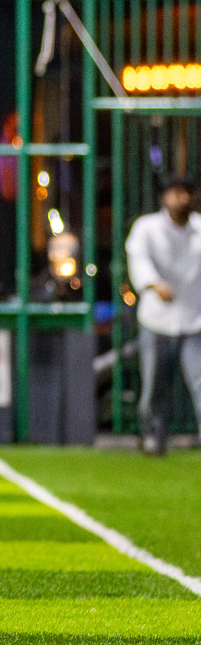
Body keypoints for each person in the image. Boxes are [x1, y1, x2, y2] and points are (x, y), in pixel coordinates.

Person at [125, 175, 201, 456]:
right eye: (175, 193)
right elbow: (138, 259)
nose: (181, 199)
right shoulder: (147, 228)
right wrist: (154, 284)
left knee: (200, 382)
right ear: (164, 197)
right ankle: (153, 437)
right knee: (155, 386)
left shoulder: (199, 230)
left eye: (186, 193)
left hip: (195, 320)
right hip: (156, 320)